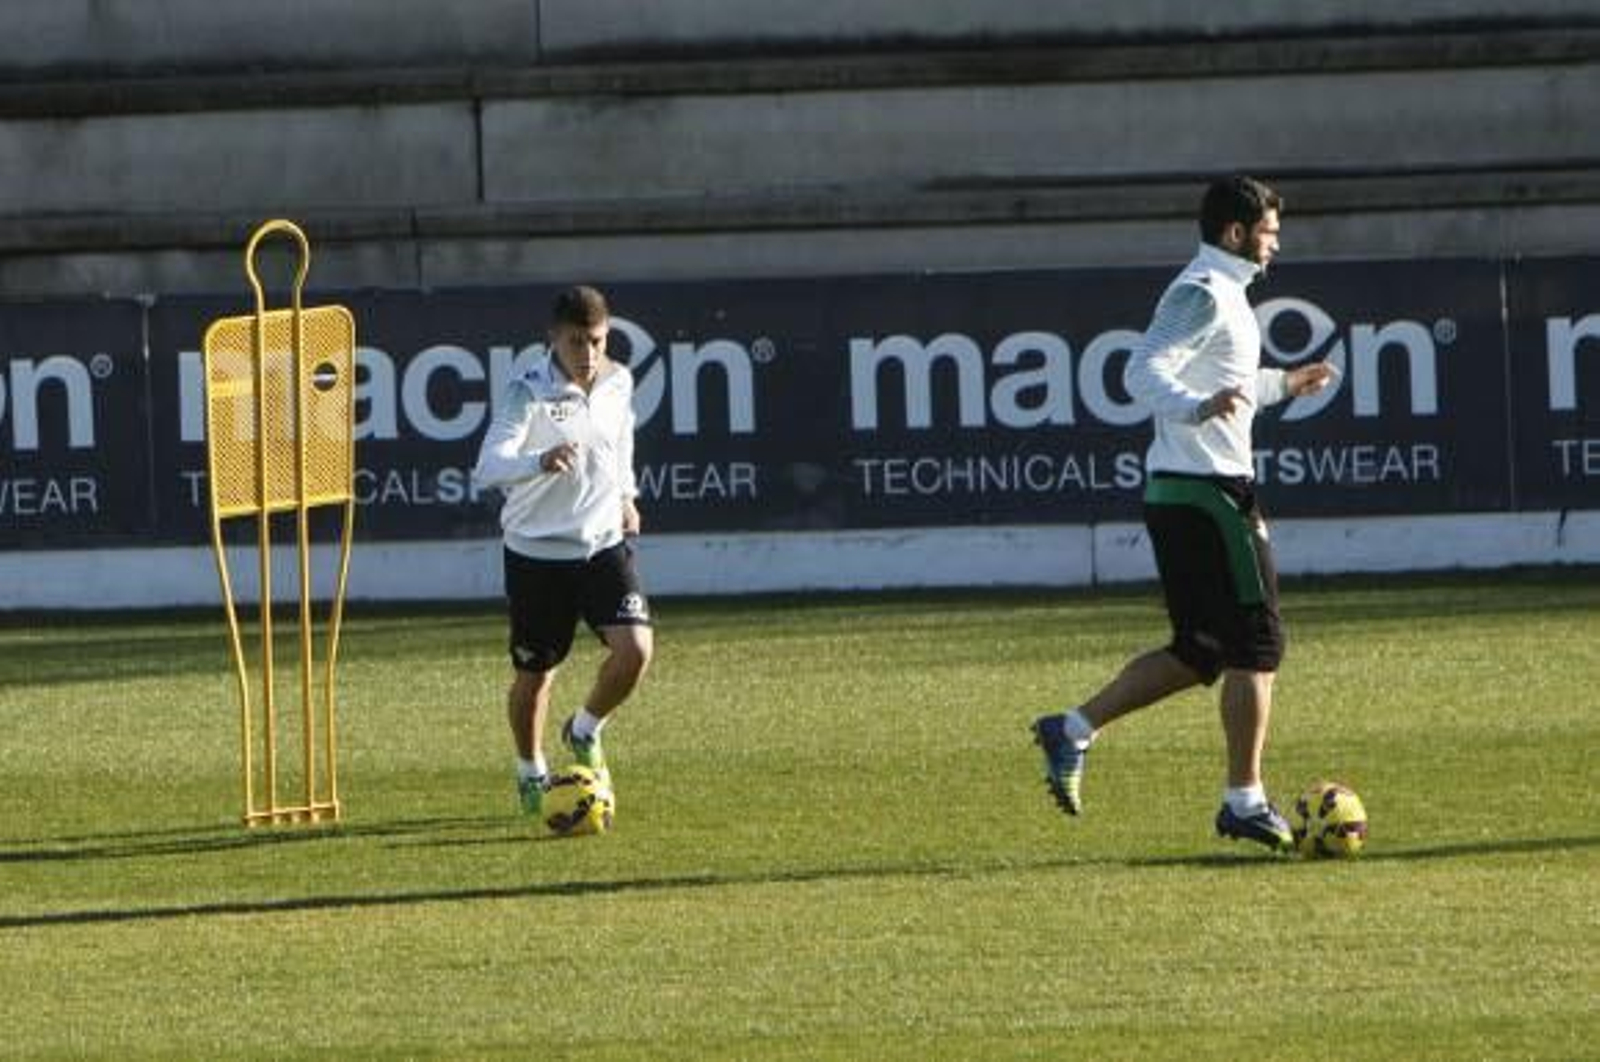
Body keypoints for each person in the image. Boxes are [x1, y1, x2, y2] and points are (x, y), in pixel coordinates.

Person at [1031, 175, 1337, 852]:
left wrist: (1285, 384)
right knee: (1258, 644)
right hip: (1208, 493)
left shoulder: (1225, 293)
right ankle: (1243, 801)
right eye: (1269, 233)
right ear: (1236, 233)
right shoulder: (1201, 291)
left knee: (1201, 650)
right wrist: (1195, 409)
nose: (1275, 246)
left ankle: (1071, 730)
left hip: (1185, 492)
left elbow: (1226, 385)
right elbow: (1140, 372)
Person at [472, 285, 653, 817]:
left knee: (635, 652)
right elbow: (487, 467)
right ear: (553, 337)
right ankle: (531, 770)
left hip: (602, 545)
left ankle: (585, 728)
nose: (588, 353)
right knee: (536, 677)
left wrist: (626, 495)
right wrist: (538, 461)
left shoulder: (618, 380)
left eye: (597, 341)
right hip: (537, 554)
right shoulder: (526, 392)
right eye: (577, 342)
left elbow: (620, 440)